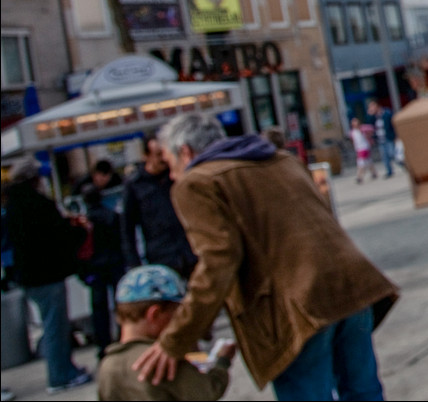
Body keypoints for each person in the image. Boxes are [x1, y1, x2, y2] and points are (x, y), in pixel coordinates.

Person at [131, 113, 398, 400]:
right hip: (351, 286)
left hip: (300, 307)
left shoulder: (197, 182)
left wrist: (176, 340)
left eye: (170, 164)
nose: (171, 176)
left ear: (185, 152)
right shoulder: (278, 159)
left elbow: (217, 263)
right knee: (363, 391)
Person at [4, 157, 92, 394]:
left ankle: (64, 370)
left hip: (30, 276)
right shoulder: (38, 204)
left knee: (53, 325)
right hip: (47, 274)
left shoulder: (13, 205)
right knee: (56, 326)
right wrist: (76, 231)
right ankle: (60, 374)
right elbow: (57, 236)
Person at [97, 264, 236, 401]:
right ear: (155, 314)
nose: (179, 322)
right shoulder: (161, 359)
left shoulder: (107, 366)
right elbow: (209, 390)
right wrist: (222, 361)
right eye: (177, 314)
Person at [122, 135, 198, 280]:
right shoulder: (135, 185)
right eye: (158, 155)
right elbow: (127, 229)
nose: (163, 159)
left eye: (164, 153)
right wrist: (134, 265)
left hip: (189, 251)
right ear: (146, 156)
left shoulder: (175, 176)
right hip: (162, 256)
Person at [80, 182, 126, 358]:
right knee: (119, 304)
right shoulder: (110, 216)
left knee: (99, 308)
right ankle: (122, 336)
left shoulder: (87, 221)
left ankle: (103, 342)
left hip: (96, 267)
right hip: (113, 263)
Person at [366, 100, 400, 177]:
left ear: (377, 106)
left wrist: (395, 136)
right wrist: (369, 115)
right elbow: (370, 126)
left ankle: (402, 164)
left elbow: (392, 124)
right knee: (384, 156)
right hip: (380, 139)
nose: (371, 109)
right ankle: (389, 171)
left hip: (388, 137)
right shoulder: (374, 117)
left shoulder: (387, 114)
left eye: (372, 106)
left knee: (392, 153)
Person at [347, 116, 377, 183]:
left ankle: (359, 177)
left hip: (364, 147)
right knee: (368, 161)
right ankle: (374, 173)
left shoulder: (362, 129)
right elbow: (353, 140)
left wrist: (369, 137)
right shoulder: (352, 132)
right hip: (359, 149)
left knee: (361, 163)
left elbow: (371, 130)